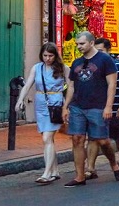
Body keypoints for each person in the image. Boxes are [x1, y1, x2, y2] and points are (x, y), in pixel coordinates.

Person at [62, 31, 119, 187]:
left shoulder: (105, 60)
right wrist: (66, 106)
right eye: (77, 44)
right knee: (77, 139)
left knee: (102, 140)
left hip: (98, 106)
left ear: (91, 42)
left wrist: (108, 106)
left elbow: (112, 84)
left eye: (82, 44)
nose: (79, 47)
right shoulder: (76, 63)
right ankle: (80, 176)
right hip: (78, 106)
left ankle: (114, 164)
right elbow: (71, 86)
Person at [15, 42, 69, 184]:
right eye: (45, 55)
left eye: (50, 55)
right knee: (48, 140)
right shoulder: (37, 68)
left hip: (56, 104)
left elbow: (72, 87)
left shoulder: (63, 68)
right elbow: (28, 85)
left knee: (47, 138)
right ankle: (55, 170)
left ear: (55, 55)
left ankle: (47, 173)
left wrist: (68, 106)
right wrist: (20, 99)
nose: (47, 58)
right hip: (41, 103)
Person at [86, 38, 119, 178]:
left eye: (101, 51)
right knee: (93, 138)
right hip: (96, 109)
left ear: (108, 50)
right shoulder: (91, 66)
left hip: (115, 109)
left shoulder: (118, 65)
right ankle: (91, 168)